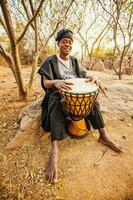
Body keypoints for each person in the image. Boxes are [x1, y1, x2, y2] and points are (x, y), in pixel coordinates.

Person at [38, 29, 124, 183]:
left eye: (70, 42)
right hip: (58, 93)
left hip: (74, 95)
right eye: (64, 41)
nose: (67, 44)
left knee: (91, 99)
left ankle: (103, 136)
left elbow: (85, 76)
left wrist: (95, 77)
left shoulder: (75, 61)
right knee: (56, 102)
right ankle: (55, 151)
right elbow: (45, 82)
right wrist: (56, 82)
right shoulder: (50, 61)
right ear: (58, 43)